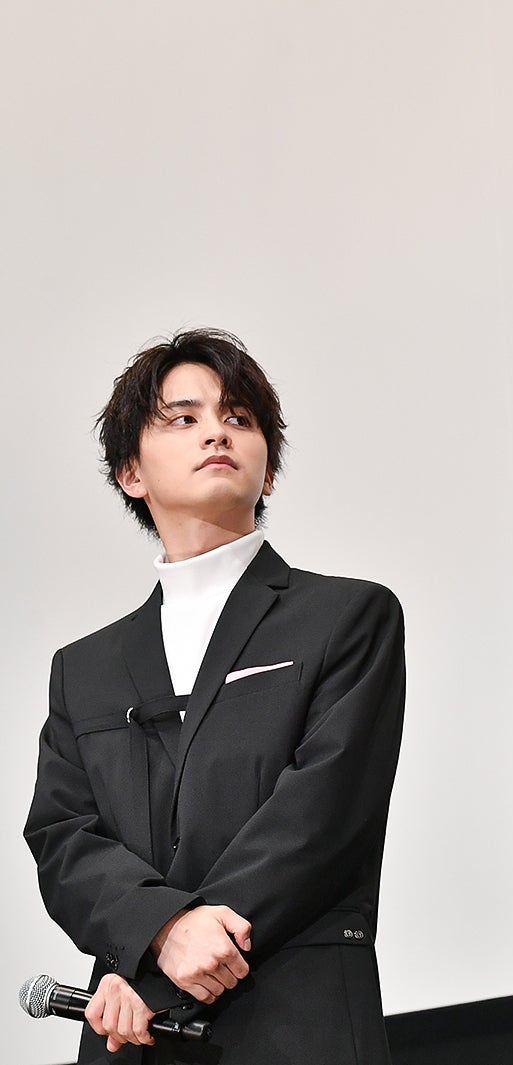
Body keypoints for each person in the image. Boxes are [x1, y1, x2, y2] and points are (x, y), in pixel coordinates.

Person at [24, 330, 407, 1064]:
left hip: (293, 1019)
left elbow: (320, 815)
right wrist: (162, 931)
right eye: (183, 417)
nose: (216, 432)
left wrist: (165, 962)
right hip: (129, 1035)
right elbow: (62, 837)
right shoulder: (83, 669)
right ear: (131, 472)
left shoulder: (348, 616)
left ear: (269, 471)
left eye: (239, 417)